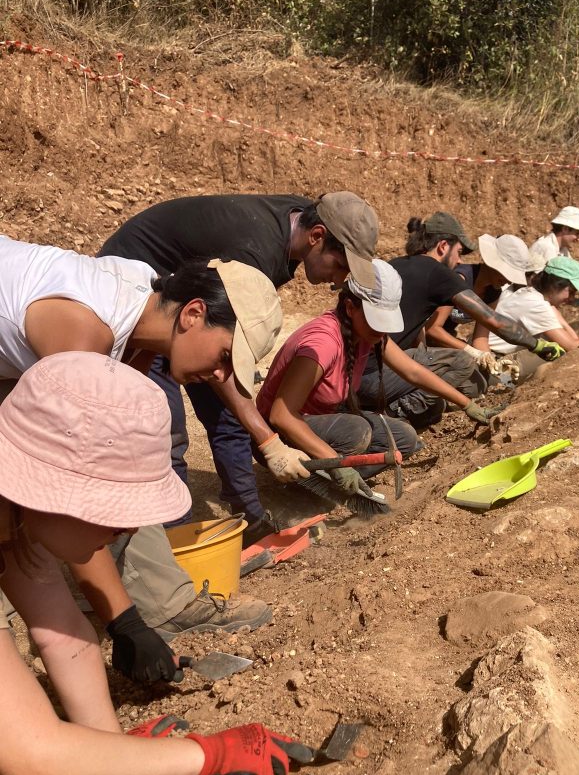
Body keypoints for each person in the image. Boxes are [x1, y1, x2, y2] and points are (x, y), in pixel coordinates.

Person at [0, 352, 300, 775]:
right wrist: (204, 756)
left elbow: (61, 636)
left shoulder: (20, 518)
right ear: (54, 488)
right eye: (118, 507)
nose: (131, 529)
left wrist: (112, 754)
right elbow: (37, 763)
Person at [0, 234, 278, 684]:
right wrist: (124, 623)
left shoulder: (144, 305)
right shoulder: (83, 334)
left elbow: (116, 464)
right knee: (28, 486)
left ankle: (155, 601)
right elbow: (75, 492)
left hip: (16, 357)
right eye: (225, 356)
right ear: (193, 313)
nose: (222, 376)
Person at [99, 191, 378, 542]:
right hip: (141, 304)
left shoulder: (296, 222)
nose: (339, 281)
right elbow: (223, 346)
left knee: (227, 411)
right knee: (164, 428)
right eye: (340, 266)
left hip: (191, 304)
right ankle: (176, 540)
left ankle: (248, 515)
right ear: (317, 236)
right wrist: (270, 442)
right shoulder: (253, 252)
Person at [256, 260, 501, 498]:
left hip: (319, 422)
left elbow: (413, 372)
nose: (381, 330)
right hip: (280, 437)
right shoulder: (323, 344)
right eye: (376, 321)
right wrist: (338, 464)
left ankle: (338, 485)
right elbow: (281, 415)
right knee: (356, 431)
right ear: (351, 308)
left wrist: (467, 404)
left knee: (405, 440)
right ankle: (310, 482)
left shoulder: (368, 333)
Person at [356, 212, 564, 428]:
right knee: (460, 363)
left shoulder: (399, 264)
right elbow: (490, 322)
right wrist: (536, 344)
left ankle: (401, 403)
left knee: (471, 388)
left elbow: (418, 329)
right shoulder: (443, 275)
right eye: (458, 252)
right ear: (443, 246)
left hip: (367, 365)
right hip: (376, 370)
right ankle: (390, 412)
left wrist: (490, 359)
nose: (459, 260)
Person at [473, 257, 579, 383]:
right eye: (570, 292)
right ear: (556, 285)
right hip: (489, 362)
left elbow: (572, 339)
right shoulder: (536, 305)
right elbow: (572, 346)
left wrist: (557, 315)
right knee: (558, 353)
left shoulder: (531, 295)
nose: (572, 298)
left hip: (486, 356)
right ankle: (506, 384)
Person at [423, 233, 533, 368]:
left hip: (442, 344)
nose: (509, 280)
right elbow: (432, 329)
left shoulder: (493, 292)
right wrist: (471, 352)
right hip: (420, 341)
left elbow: (480, 339)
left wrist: (492, 363)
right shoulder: (460, 278)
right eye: (507, 273)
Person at [528, 205, 579, 273]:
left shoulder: (563, 250)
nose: (578, 239)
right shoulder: (545, 247)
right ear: (565, 229)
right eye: (577, 233)